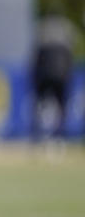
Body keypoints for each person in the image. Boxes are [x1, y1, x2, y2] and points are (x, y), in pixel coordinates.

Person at [31, 11, 76, 140]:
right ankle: (60, 135)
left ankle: (38, 134)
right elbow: (69, 59)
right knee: (61, 107)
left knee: (40, 104)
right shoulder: (66, 30)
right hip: (61, 76)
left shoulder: (42, 31)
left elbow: (36, 59)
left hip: (46, 75)